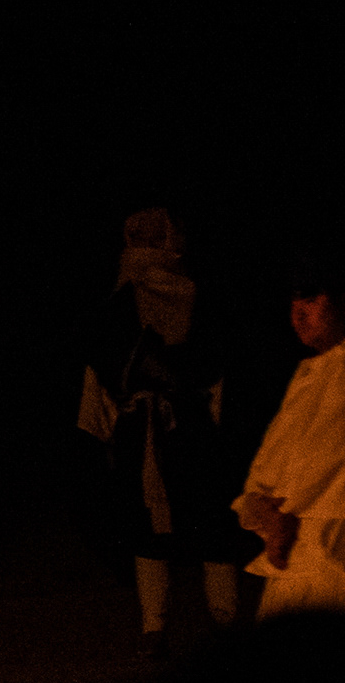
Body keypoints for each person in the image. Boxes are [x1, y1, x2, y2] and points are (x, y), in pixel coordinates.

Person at [77, 207, 251, 658]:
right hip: (165, 431)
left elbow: (101, 387)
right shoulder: (124, 305)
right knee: (166, 529)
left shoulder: (182, 299)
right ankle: (165, 630)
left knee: (200, 528)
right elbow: (106, 374)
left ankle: (205, 627)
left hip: (179, 430)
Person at [234, 261, 345, 615]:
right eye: (293, 303)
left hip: (332, 554)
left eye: (311, 301)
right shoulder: (311, 374)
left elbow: (321, 463)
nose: (297, 315)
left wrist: (282, 510)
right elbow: (269, 466)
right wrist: (259, 507)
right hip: (295, 559)